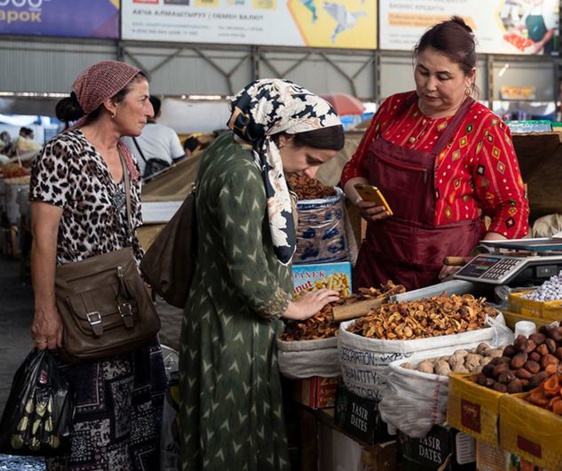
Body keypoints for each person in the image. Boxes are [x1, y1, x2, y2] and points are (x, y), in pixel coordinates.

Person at [179, 79, 343, 470]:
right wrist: (293, 307)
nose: (312, 170)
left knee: (228, 430)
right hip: (232, 330)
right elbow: (247, 269)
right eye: (311, 159)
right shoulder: (243, 174)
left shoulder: (237, 146)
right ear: (284, 137)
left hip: (220, 316)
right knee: (232, 438)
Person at [30, 60, 165, 470]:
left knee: (139, 421)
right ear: (110, 103)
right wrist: (45, 313)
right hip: (83, 313)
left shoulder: (128, 157)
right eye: (142, 101)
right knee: (88, 428)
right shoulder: (62, 153)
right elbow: (42, 241)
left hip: (129, 309)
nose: (150, 111)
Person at [341, 17, 530, 291]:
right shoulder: (393, 108)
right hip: (378, 268)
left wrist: (478, 261)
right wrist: (359, 196)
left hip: (445, 277)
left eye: (443, 77)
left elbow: (512, 207)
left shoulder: (483, 127)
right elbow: (354, 168)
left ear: (470, 76)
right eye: (422, 72)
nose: (430, 85)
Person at [121, 95, 186, 177]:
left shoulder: (127, 133)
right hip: (163, 183)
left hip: (137, 185)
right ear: (159, 113)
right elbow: (181, 161)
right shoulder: (169, 132)